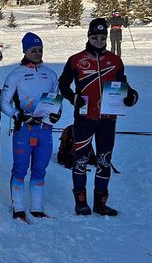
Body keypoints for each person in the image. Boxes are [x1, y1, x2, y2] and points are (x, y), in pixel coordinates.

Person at [58, 18, 138, 216]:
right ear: (89, 37)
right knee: (80, 160)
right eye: (95, 37)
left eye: (102, 38)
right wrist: (73, 98)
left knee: (103, 160)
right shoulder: (76, 59)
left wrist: (130, 96)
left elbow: (123, 86)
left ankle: (101, 203)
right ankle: (81, 202)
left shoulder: (115, 60)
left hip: (107, 120)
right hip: (84, 119)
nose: (99, 41)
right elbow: (63, 84)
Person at [0, 33, 61, 221]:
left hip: (44, 129)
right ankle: (18, 208)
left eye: (40, 50)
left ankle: (36, 208)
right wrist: (18, 115)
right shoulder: (15, 75)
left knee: (40, 169)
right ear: (25, 51)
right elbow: (3, 103)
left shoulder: (50, 74)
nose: (37, 53)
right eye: (33, 50)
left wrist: (57, 113)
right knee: (20, 169)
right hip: (24, 130)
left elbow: (56, 100)